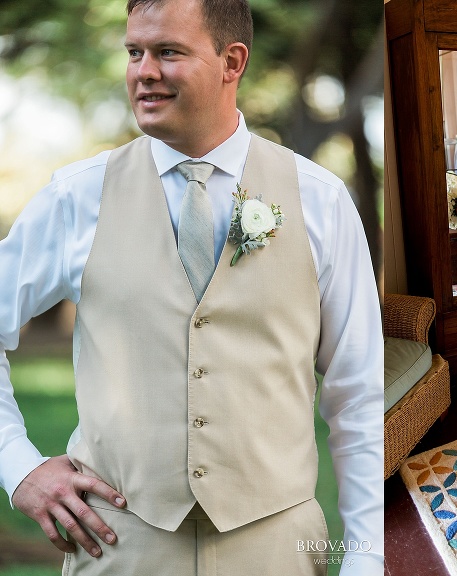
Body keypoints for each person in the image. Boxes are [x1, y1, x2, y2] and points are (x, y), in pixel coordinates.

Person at [0, 0, 383, 574]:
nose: (143, 71)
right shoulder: (75, 198)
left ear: (233, 61)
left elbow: (359, 394)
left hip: (278, 547)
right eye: (134, 52)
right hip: (116, 544)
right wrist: (18, 467)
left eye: (168, 52)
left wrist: (366, 556)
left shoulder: (320, 200)